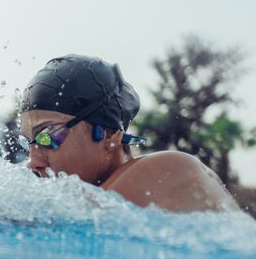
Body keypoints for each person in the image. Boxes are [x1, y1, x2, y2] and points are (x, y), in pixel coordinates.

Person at [19, 54, 238, 212]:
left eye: (48, 136)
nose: (32, 161)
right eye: (28, 142)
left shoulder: (170, 168)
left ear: (108, 134)